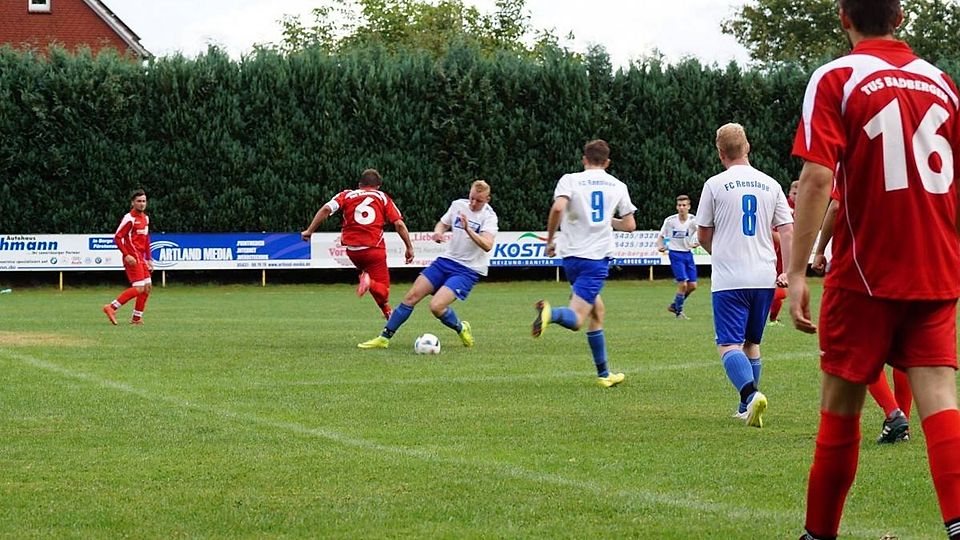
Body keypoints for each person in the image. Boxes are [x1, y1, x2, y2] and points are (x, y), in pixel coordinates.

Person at [787, 2, 960, 538]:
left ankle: (818, 535)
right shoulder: (944, 84)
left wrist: (796, 272)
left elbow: (817, 179)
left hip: (864, 272)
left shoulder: (837, 76)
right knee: (940, 400)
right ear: (901, 16)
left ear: (843, 17)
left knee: (840, 410)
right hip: (936, 267)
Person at [696, 123, 794, 427]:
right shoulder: (771, 184)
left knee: (728, 344)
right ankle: (744, 408)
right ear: (747, 147)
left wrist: (722, 251)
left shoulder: (714, 184)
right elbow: (788, 230)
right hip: (764, 276)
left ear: (720, 152)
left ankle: (751, 395)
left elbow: (702, 234)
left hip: (729, 279)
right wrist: (787, 270)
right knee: (752, 342)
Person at [531, 139, 637, 388]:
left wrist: (549, 240)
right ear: (608, 162)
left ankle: (604, 375)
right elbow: (630, 225)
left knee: (597, 311)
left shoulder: (570, 179)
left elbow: (558, 207)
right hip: (595, 260)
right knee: (577, 319)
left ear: (584, 159)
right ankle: (551, 313)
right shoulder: (618, 185)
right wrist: (607, 221)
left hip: (571, 259)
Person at [813, 194, 914, 445]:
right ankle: (902, 422)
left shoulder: (857, 156)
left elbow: (836, 205)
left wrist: (819, 250)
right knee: (902, 346)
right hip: (908, 263)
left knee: (855, 347)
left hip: (864, 266)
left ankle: (894, 415)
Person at [358, 180, 497, 349]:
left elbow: (487, 245)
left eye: (479, 200)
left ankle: (461, 328)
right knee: (411, 297)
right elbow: (443, 223)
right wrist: (438, 232)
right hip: (446, 261)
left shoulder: (489, 217)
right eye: (472, 198)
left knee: (436, 307)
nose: (473, 203)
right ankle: (384, 338)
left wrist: (468, 229)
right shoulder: (458, 205)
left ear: (487, 199)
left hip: (467, 270)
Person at [301, 169, 414, 320]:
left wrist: (309, 231)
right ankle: (369, 284)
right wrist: (409, 247)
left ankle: (386, 311)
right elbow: (399, 224)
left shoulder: (346, 194)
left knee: (371, 279)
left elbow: (327, 209)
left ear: (360, 184)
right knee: (382, 289)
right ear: (378, 186)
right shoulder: (382, 197)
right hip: (374, 249)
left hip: (353, 251)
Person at [102, 189, 154, 325]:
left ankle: (136, 318)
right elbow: (118, 237)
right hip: (132, 257)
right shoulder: (129, 218)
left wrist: (149, 258)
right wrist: (126, 254)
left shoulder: (145, 218)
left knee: (147, 286)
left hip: (141, 258)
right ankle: (111, 307)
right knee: (138, 288)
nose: (142, 204)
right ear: (133, 203)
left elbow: (146, 239)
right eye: (139, 201)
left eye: (144, 201)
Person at [656, 194, 699, 320]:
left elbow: (702, 231)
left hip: (687, 253)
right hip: (675, 254)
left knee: (693, 286)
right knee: (683, 284)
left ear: (689, 207)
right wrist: (660, 246)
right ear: (676, 207)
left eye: (684, 205)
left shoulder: (693, 220)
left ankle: (674, 305)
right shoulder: (670, 221)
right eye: (679, 205)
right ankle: (679, 312)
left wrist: (698, 242)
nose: (681, 208)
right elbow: (661, 237)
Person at [768, 180, 801, 327]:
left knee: (780, 288)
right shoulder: (785, 208)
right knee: (779, 290)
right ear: (789, 193)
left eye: (799, 193)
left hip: (784, 253)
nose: (796, 196)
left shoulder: (799, 208)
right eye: (794, 193)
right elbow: (775, 231)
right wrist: (783, 240)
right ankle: (770, 318)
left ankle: (773, 319)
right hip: (775, 251)